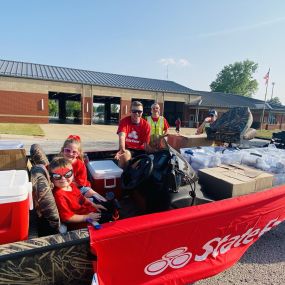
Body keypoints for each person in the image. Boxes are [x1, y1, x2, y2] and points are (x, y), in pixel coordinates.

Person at [50, 156, 105, 230]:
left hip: (88, 212)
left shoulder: (72, 185)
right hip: (80, 222)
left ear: (72, 174)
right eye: (57, 176)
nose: (63, 178)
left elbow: (82, 198)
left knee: (110, 209)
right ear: (51, 178)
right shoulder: (59, 195)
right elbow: (67, 218)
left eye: (67, 174)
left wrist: (95, 205)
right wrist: (87, 217)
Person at [60, 135, 107, 204]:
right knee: (85, 201)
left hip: (80, 187)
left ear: (78, 153)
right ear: (62, 150)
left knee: (97, 196)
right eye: (67, 150)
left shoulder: (80, 164)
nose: (70, 154)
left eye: (74, 152)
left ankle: (107, 203)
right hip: (65, 188)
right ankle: (90, 202)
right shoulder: (58, 163)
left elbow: (81, 183)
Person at [115, 101, 151, 168]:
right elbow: (122, 136)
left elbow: (146, 144)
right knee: (124, 155)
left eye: (139, 112)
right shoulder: (124, 121)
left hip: (140, 151)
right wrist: (122, 148)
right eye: (134, 111)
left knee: (138, 164)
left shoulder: (146, 125)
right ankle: (122, 176)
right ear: (130, 111)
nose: (137, 113)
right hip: (127, 149)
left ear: (142, 112)